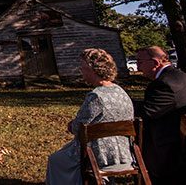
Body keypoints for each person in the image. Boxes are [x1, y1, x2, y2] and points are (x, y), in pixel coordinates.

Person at [45, 48, 134, 185]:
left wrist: (72, 125)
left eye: (83, 68)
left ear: (93, 69)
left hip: (99, 154)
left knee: (56, 159)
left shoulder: (96, 96)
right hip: (124, 153)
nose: (81, 71)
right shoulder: (121, 91)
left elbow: (78, 127)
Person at [134, 46, 186, 182]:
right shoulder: (184, 78)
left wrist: (124, 104)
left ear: (155, 63)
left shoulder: (164, 84)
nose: (137, 67)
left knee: (145, 135)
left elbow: (147, 113)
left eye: (140, 62)